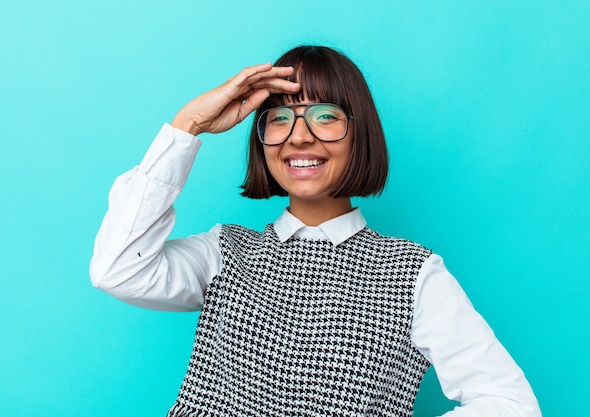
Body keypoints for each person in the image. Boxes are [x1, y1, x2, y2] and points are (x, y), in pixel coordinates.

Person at [90, 45, 541, 417]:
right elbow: (117, 270)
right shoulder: (224, 254)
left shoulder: (412, 274)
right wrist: (187, 126)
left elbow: (508, 403)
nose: (299, 137)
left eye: (324, 116)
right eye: (280, 118)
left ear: (359, 134)